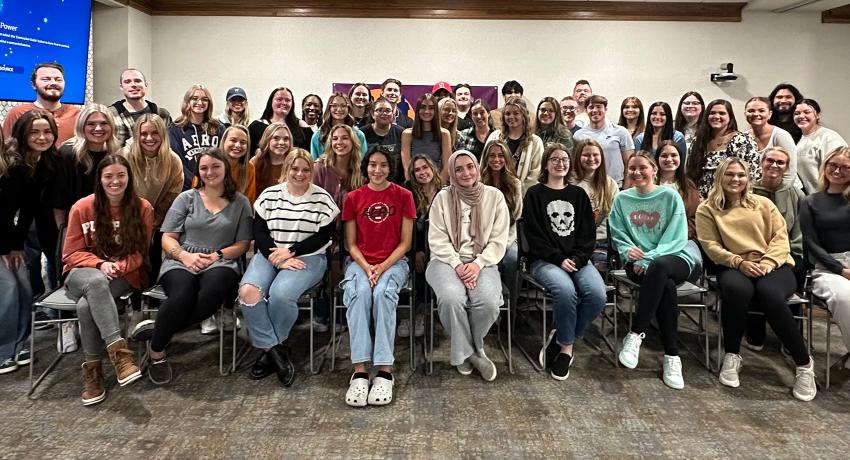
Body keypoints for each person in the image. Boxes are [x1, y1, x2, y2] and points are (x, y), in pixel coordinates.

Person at [696, 157, 816, 402]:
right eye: (729, 174)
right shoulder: (707, 209)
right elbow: (711, 246)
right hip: (734, 264)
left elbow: (780, 238)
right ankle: (732, 355)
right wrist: (739, 263)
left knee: (770, 295)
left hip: (775, 264)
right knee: (735, 291)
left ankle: (804, 364)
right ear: (720, 177)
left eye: (741, 175)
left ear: (748, 178)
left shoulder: (762, 204)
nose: (735, 179)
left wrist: (768, 263)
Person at [129, 148, 252, 384]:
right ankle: (157, 353)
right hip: (181, 259)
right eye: (204, 168)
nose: (210, 172)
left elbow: (243, 243)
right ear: (198, 172)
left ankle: (157, 331)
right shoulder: (186, 198)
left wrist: (216, 255)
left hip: (221, 260)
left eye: (215, 166)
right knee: (181, 295)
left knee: (210, 296)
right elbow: (167, 237)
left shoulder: (241, 202)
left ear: (226, 167)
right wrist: (184, 256)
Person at [238, 149, 339, 386]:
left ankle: (270, 350)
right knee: (248, 292)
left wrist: (291, 252)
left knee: (281, 295)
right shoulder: (269, 195)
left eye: (305, 169)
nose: (300, 174)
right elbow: (259, 232)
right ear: (286, 169)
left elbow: (324, 236)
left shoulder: (322, 198)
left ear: (312, 172)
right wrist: (279, 257)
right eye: (295, 168)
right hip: (269, 254)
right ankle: (273, 350)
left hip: (309, 257)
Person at [62, 154, 152, 405]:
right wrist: (100, 264)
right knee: (96, 282)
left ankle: (93, 372)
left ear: (129, 177)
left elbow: (140, 253)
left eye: (121, 175)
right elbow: (70, 253)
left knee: (84, 305)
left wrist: (119, 266)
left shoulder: (142, 207)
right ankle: (119, 353)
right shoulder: (82, 207)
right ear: (100, 179)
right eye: (109, 176)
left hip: (122, 274)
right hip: (81, 272)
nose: (115, 181)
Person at [611, 153, 700, 390]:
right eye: (632, 168)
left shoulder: (669, 195)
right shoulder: (621, 199)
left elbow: (677, 236)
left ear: (654, 169)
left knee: (660, 268)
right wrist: (627, 250)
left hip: (674, 257)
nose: (637, 172)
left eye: (642, 168)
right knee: (666, 287)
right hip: (636, 261)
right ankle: (672, 356)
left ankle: (636, 333)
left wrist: (650, 258)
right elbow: (618, 233)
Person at [524, 143, 606, 380]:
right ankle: (567, 350)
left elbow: (587, 235)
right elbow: (534, 236)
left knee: (597, 295)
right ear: (546, 164)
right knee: (566, 291)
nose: (560, 163)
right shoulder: (535, 195)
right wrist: (559, 259)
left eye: (564, 160)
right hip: (545, 260)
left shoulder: (578, 195)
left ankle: (560, 337)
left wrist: (578, 258)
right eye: (555, 159)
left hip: (578, 260)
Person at [341, 146, 415, 407]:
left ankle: (384, 370)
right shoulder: (352, 198)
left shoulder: (404, 196)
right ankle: (360, 370)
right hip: (360, 262)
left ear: (390, 168)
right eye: (373, 164)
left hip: (394, 262)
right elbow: (350, 244)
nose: (378, 170)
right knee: (359, 293)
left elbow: (405, 243)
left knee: (383, 293)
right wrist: (367, 266)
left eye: (383, 165)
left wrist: (381, 267)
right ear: (365, 167)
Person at [426, 150, 509, 381]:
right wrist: (457, 264)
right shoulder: (442, 198)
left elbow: (498, 239)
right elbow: (437, 239)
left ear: (477, 168)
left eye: (470, 167)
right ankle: (474, 354)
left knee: (490, 302)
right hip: (444, 261)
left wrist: (477, 264)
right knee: (452, 298)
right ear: (452, 172)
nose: (465, 173)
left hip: (483, 261)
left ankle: (466, 349)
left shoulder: (494, 196)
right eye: (459, 168)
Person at [747, 147, 805, 350]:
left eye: (780, 162)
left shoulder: (795, 194)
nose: (774, 165)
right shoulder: (748, 191)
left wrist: (784, 254)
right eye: (770, 160)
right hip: (755, 252)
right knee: (754, 274)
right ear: (761, 162)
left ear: (787, 167)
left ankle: (792, 334)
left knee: (798, 270)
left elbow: (798, 230)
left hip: (787, 252)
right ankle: (755, 332)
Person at [800, 146, 850, 373]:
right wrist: (840, 269)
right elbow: (811, 243)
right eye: (833, 165)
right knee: (844, 299)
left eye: (845, 167)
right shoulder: (811, 201)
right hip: (827, 267)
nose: (838, 171)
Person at [312, 124, 364, 331]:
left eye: (345, 138)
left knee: (345, 260)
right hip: (322, 231)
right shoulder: (319, 168)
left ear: (353, 143)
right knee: (330, 259)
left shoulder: (360, 170)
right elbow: (313, 205)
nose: (340, 143)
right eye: (335, 139)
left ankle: (341, 313)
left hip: (351, 232)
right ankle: (324, 312)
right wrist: (329, 239)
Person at [7, 111, 62, 303]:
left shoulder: (51, 160)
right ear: (22, 133)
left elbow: (34, 206)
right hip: (10, 229)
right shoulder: (10, 164)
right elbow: (8, 210)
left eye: (47, 131)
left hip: (43, 223)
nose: (41, 137)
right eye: (34, 132)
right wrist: (14, 244)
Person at [121, 113, 183, 282]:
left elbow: (172, 196)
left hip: (157, 220)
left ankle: (151, 298)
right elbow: (118, 192)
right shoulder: (125, 157)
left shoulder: (173, 160)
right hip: (127, 219)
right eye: (144, 134)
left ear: (162, 135)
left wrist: (152, 224)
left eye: (155, 133)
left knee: (152, 261)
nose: (149, 138)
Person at [0, 128, 36, 374]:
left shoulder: (15, 167)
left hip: (11, 241)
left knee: (23, 288)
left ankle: (19, 342)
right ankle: (4, 349)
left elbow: (27, 208)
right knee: (8, 291)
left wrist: (14, 245)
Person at [54, 104, 121, 229]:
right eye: (91, 124)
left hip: (106, 223)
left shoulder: (115, 152)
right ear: (82, 126)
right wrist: (63, 232)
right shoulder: (67, 153)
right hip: (74, 223)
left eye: (104, 123)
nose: (98, 128)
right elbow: (59, 199)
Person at [402, 154, 443, 339]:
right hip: (415, 245)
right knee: (414, 264)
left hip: (440, 246)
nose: (422, 172)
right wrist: (417, 250)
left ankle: (431, 310)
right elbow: (407, 227)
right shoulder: (408, 192)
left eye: (425, 167)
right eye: (417, 170)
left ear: (432, 168)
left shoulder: (445, 191)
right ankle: (412, 313)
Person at [686, 99, 760, 199]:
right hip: (701, 201)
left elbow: (752, 174)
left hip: (732, 199)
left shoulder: (742, 140)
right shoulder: (697, 141)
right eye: (712, 113)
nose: (716, 116)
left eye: (722, 113)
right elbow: (690, 173)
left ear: (730, 117)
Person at [569, 139, 618, 271]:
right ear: (578, 157)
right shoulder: (569, 182)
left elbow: (612, 216)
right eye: (586, 155)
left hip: (600, 241)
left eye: (595, 155)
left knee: (599, 266)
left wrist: (596, 237)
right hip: (575, 242)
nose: (591, 158)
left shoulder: (610, 184)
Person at [2, 62, 80, 146]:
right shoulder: (17, 113)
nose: (53, 83)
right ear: (33, 85)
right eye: (46, 79)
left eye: (58, 79)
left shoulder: (77, 113)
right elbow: (7, 149)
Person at [480, 140, 523, 289]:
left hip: (508, 238)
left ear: (506, 158)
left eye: (500, 155)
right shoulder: (478, 183)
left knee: (512, 259)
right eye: (492, 155)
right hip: (484, 237)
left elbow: (517, 219)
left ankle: (512, 303)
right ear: (486, 158)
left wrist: (504, 245)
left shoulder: (515, 184)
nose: (496, 159)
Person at [167, 84, 225, 190]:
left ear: (209, 103)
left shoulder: (218, 128)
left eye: (204, 99)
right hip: (186, 189)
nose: (200, 103)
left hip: (215, 186)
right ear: (187, 102)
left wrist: (212, 181)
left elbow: (224, 159)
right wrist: (197, 182)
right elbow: (177, 163)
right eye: (195, 99)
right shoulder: (175, 129)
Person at [573, 95, 635, 187]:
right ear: (586, 111)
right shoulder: (578, 135)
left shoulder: (621, 132)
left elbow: (630, 164)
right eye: (591, 107)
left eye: (598, 107)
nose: (594, 110)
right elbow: (576, 166)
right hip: (589, 186)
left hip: (616, 185)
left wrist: (625, 189)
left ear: (605, 109)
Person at [486, 98, 544, 195]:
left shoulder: (535, 142)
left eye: (516, 113)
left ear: (523, 115)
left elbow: (536, 173)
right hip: (495, 193)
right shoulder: (495, 136)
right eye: (507, 114)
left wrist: (517, 193)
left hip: (523, 197)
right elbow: (485, 164)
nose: (511, 117)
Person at [793, 98, 847, 194]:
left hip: (832, 198)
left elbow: (841, 170)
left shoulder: (828, 137)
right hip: (813, 200)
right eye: (797, 113)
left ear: (817, 115)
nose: (801, 116)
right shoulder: (800, 141)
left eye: (806, 112)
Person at [108, 68, 173, 147]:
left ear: (146, 84)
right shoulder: (110, 115)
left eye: (138, 81)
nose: (133, 85)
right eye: (127, 82)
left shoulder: (162, 114)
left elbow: (169, 144)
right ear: (121, 87)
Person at [655, 141, 701, 245]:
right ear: (657, 159)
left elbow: (695, 217)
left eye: (674, 155)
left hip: (684, 239)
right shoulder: (649, 185)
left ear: (680, 158)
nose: (669, 159)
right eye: (664, 156)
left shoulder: (688, 185)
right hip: (654, 239)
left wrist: (679, 234)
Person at [745, 96, 797, 186]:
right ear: (745, 113)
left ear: (769, 114)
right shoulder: (743, 138)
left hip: (785, 189)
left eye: (761, 111)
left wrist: (779, 195)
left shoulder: (781, 135)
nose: (756, 114)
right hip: (756, 192)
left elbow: (790, 173)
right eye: (751, 111)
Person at [401, 93, 452, 182]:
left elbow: (447, 167)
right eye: (423, 107)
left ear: (436, 111)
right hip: (415, 185)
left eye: (431, 108)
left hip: (438, 186)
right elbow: (407, 168)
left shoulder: (444, 134)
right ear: (418, 110)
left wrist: (437, 188)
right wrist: (415, 188)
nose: (427, 111)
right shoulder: (407, 134)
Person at [248, 87, 310, 152]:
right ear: (271, 102)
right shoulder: (257, 126)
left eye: (287, 100)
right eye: (279, 99)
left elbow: (310, 153)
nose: (284, 103)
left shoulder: (301, 126)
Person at [309, 93, 368, 159]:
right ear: (329, 108)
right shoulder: (318, 136)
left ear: (348, 108)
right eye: (334, 105)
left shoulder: (358, 135)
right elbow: (313, 164)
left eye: (343, 106)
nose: (339, 109)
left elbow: (363, 163)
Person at [361, 97, 405, 184]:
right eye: (379, 110)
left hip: (396, 185)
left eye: (388, 110)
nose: (384, 113)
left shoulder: (401, 133)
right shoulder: (362, 133)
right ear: (373, 114)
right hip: (369, 184)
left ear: (392, 114)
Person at [250, 123, 292, 195]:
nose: (281, 142)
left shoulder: (295, 161)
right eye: (276, 138)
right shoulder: (255, 161)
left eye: (286, 139)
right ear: (267, 140)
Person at [221, 125, 256, 203]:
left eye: (243, 142)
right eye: (233, 140)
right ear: (224, 141)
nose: (237, 145)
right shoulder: (210, 162)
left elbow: (249, 201)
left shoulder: (249, 168)